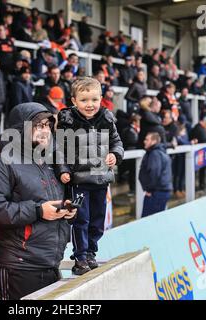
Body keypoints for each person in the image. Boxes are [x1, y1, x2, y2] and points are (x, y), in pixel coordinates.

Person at [0, 102, 76, 300]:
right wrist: (38, 211)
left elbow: (50, 203)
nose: (45, 131)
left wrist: (67, 209)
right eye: (39, 125)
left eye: (48, 125)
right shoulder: (2, 163)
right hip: (19, 265)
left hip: (49, 262)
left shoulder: (50, 162)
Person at [56, 77, 124, 275]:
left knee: (97, 219)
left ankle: (91, 252)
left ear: (101, 99)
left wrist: (115, 155)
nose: (90, 105)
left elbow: (117, 143)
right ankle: (80, 257)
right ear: (74, 101)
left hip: (100, 178)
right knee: (81, 219)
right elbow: (59, 150)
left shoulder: (107, 118)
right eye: (84, 100)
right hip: (79, 181)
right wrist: (63, 170)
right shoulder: (68, 120)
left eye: (94, 100)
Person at [139, 132, 173, 218]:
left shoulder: (155, 154)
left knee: (147, 221)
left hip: (156, 192)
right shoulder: (160, 152)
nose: (144, 141)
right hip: (160, 191)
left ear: (154, 141)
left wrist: (149, 190)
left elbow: (154, 173)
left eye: (147, 139)